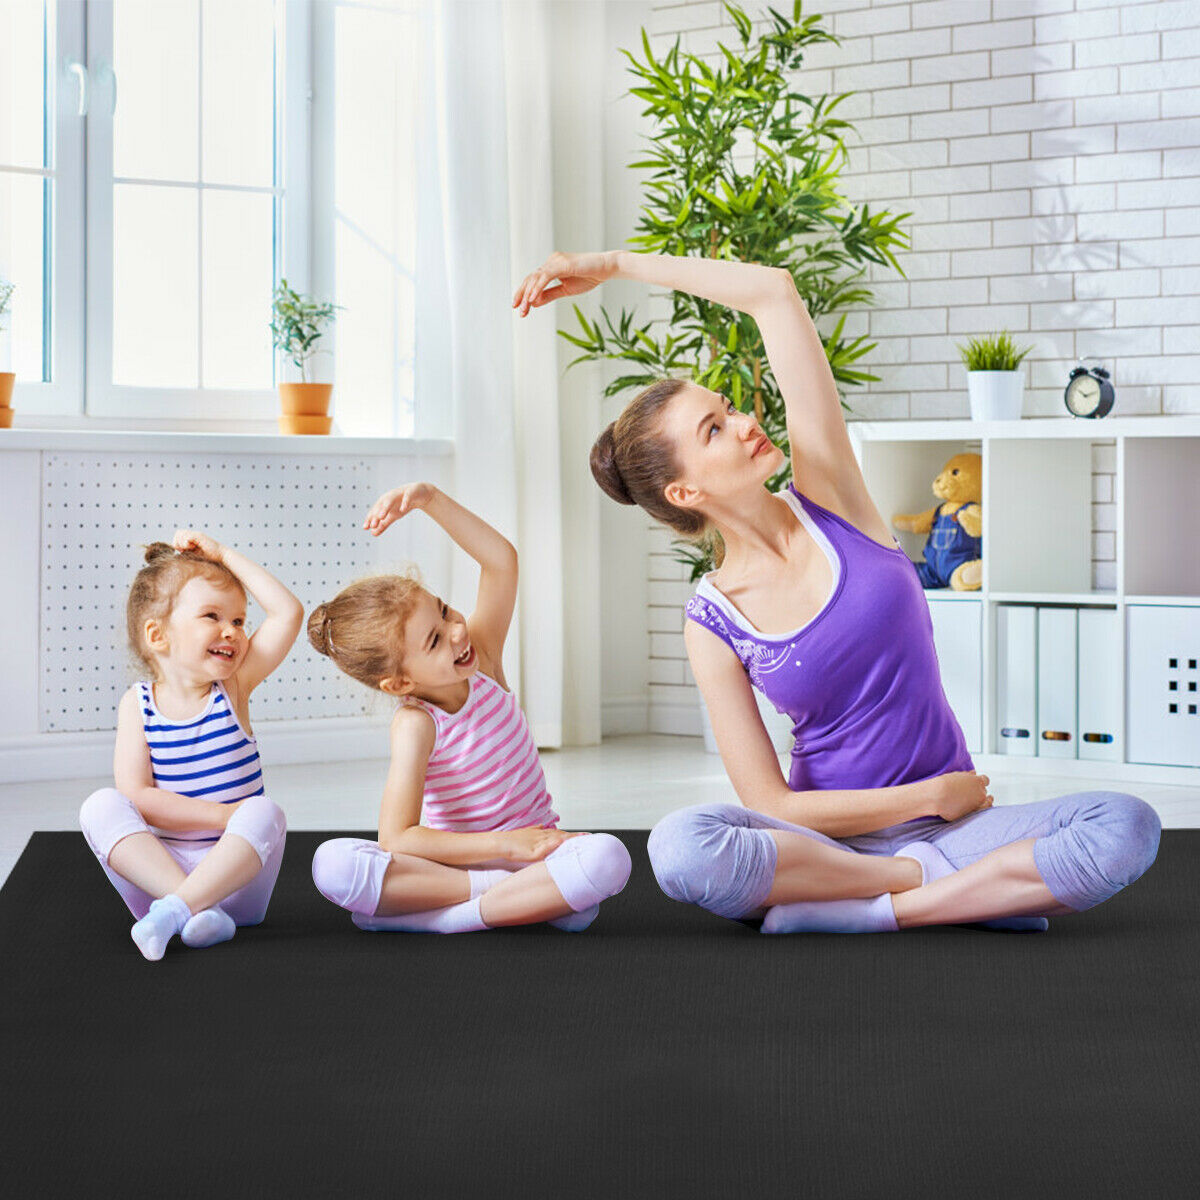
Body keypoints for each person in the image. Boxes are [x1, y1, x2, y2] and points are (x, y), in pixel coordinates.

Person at [514, 249, 1160, 933]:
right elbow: (771, 803)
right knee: (681, 847)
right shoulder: (712, 620)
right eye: (714, 430)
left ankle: (860, 911)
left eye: (727, 408)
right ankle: (931, 893)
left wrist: (614, 264)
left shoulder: (831, 496)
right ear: (685, 492)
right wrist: (929, 796)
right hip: (831, 841)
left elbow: (774, 294)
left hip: (948, 831)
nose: (743, 422)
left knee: (1126, 828)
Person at [307, 482, 631, 933]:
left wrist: (429, 500)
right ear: (401, 681)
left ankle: (439, 918)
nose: (456, 631)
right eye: (435, 640)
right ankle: (493, 903)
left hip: (536, 857)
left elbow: (501, 561)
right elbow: (397, 837)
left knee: (608, 859)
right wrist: (507, 847)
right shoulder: (416, 724)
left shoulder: (484, 659)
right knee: (333, 865)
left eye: (444, 611)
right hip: (464, 869)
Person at [79, 533, 301, 959]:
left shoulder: (232, 687)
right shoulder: (137, 705)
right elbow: (137, 796)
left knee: (264, 812)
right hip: (158, 878)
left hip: (236, 880)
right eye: (212, 616)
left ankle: (175, 913)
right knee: (99, 806)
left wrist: (224, 556)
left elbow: (288, 612)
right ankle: (190, 911)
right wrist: (220, 815)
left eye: (239, 621)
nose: (232, 631)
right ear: (158, 635)